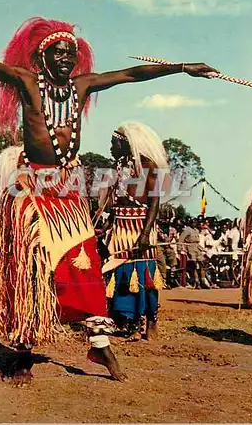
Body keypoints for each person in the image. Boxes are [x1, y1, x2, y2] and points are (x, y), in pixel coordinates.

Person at [0, 3, 218, 384]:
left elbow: (132, 73)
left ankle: (99, 343)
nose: (66, 58)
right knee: (32, 273)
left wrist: (182, 68)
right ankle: (22, 353)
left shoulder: (83, 86)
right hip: (33, 191)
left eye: (71, 53)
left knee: (83, 266)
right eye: (58, 53)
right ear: (42, 57)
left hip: (68, 191)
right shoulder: (28, 82)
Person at [103, 123, 168, 341]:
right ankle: (127, 320)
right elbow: (116, 200)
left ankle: (150, 321)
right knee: (120, 275)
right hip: (120, 229)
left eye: (114, 144)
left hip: (140, 228)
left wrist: (144, 234)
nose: (111, 148)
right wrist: (107, 225)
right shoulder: (118, 168)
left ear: (125, 144)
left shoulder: (148, 166)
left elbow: (154, 202)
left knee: (144, 277)